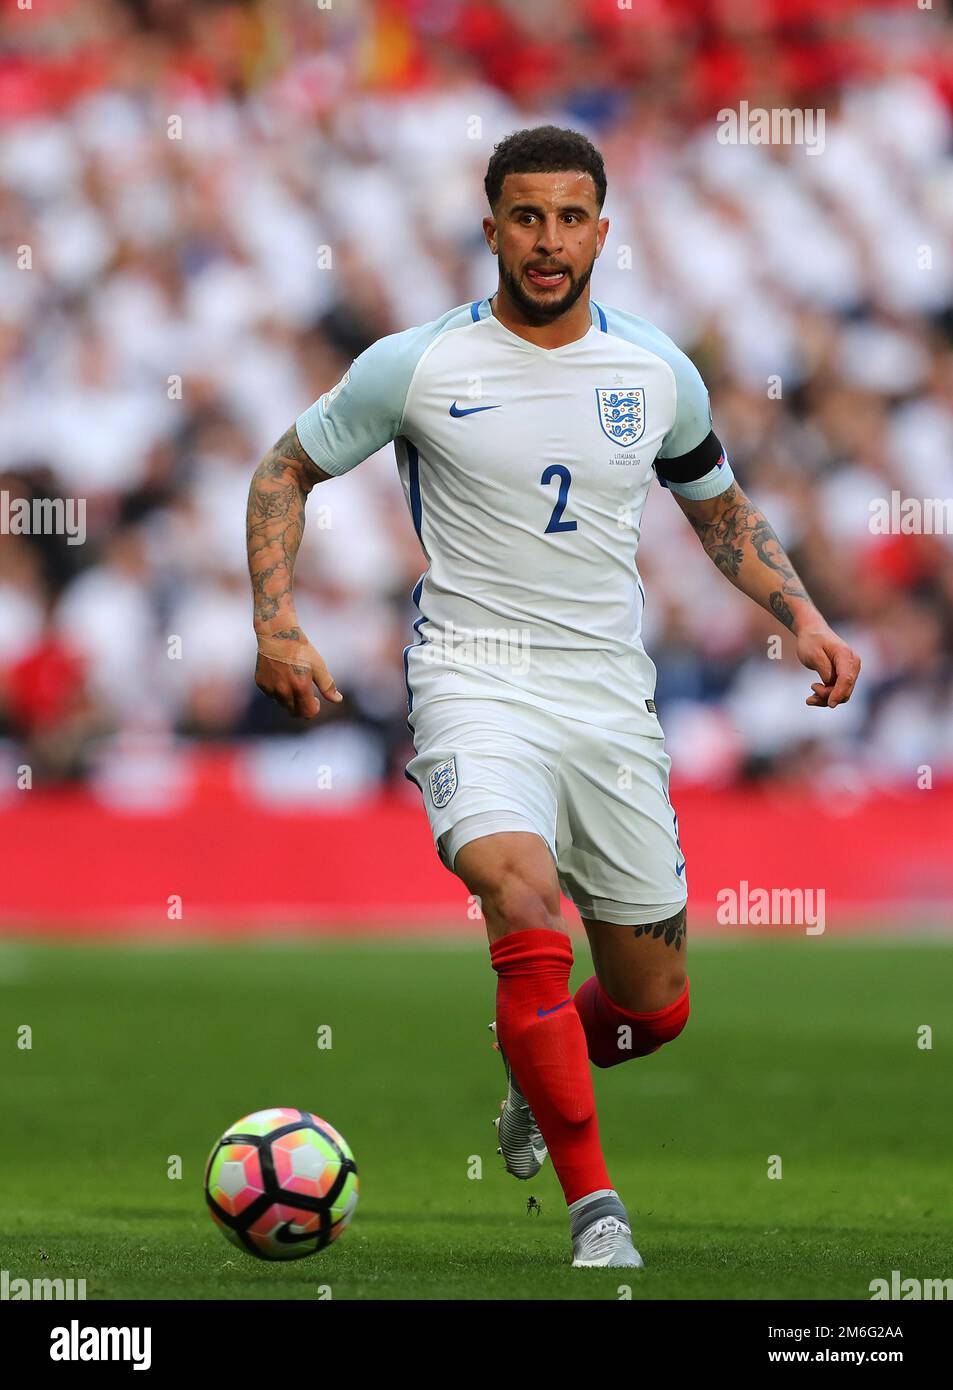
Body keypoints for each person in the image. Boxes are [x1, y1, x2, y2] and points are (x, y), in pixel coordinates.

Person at [245, 125, 861, 1268]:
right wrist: (275, 618)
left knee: (654, 1003)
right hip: (473, 676)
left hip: (606, 700)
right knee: (518, 893)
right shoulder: (416, 364)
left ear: (601, 232)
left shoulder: (654, 371)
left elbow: (717, 510)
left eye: (569, 217)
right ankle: (597, 1211)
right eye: (525, 216)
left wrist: (804, 617)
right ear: (489, 229)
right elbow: (285, 464)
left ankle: (539, 1071)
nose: (547, 240)